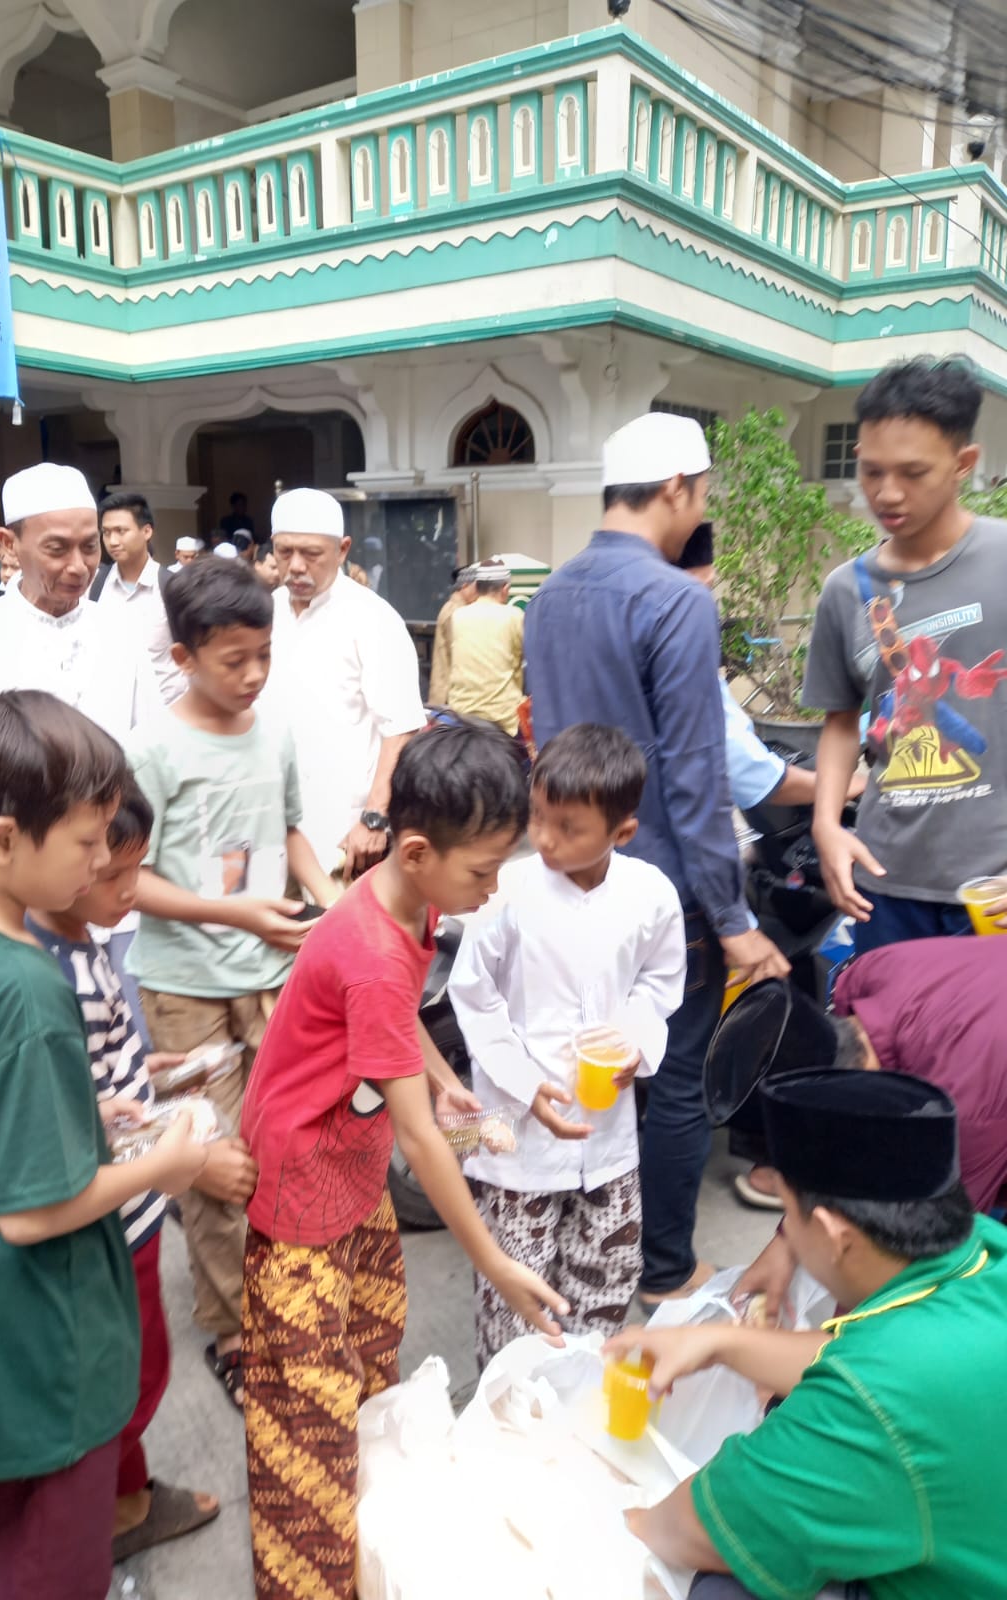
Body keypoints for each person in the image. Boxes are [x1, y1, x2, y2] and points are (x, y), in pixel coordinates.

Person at [240, 717, 568, 1600]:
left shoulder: (406, 901)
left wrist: (434, 1073)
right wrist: (496, 1263)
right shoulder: (376, 951)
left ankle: (370, 1533)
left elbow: (395, 1029)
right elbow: (420, 1138)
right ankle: (310, 1579)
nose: (494, 891)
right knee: (303, 1416)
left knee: (366, 1356)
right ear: (418, 848)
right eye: (484, 871)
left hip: (347, 1172)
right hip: (304, 1193)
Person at [0, 690, 214, 1600]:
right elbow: (34, 1212)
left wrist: (87, 1113)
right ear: (3, 841)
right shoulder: (32, 989)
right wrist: (170, 1164)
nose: (100, 864)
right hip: (35, 1328)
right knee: (51, 1558)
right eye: (86, 844)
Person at [525, 412, 788, 1308]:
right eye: (702, 494)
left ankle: (578, 1246)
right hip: (665, 888)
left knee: (592, 1059)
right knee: (673, 1080)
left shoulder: (552, 595)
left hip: (573, 872)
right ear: (678, 488)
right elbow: (693, 775)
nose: (698, 510)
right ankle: (664, 1269)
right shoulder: (678, 600)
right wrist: (736, 919)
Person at [612, 1069, 1007, 1600]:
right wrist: (722, 1343)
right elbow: (870, 1363)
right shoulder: (981, 1248)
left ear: (831, 1233)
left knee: (717, 1587)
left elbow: (685, 1530)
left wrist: (603, 1513)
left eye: (787, 1216)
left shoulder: (871, 1402)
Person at [128, 557, 334, 1410]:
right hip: (184, 986)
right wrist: (238, 915)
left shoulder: (273, 731)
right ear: (183, 657)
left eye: (263, 656)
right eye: (232, 661)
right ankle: (233, 1327)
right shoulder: (149, 750)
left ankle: (280, 1282)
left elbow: (287, 831)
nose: (252, 676)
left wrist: (330, 902)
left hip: (270, 976)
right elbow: (124, 880)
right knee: (214, 1160)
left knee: (282, 1143)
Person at [27, 776, 237, 1560]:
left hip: (133, 1190)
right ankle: (104, 1516)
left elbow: (99, 1069)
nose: (125, 892)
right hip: (117, 1208)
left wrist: (147, 1070)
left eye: (132, 873)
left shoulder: (84, 942)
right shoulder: (43, 974)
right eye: (108, 872)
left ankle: (128, 1495)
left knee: (136, 1360)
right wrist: (175, 1157)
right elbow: (57, 1104)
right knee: (134, 1369)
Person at [449, 724, 685, 1364]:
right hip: (515, 1136)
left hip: (607, 1139)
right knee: (517, 1292)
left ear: (622, 832)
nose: (544, 839)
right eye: (538, 818)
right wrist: (525, 1083)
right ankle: (510, 1412)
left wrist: (635, 1039)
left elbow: (660, 983)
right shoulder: (507, 891)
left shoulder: (650, 896)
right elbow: (473, 995)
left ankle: (577, 1400)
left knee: (605, 1277)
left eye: (568, 827)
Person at [805, 358, 1007, 956]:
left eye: (913, 473)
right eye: (871, 471)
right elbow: (841, 723)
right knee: (889, 1047)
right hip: (885, 885)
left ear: (963, 465)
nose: (887, 494)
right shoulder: (846, 590)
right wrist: (825, 827)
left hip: (993, 888)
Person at [712, 942, 1007, 1323]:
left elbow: (919, 1260)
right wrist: (786, 1243)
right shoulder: (865, 975)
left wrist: (828, 1362)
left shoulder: (962, 1112)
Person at [265, 486, 427, 878]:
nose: (297, 566)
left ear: (343, 550)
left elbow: (401, 730)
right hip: (271, 832)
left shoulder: (372, 618)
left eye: (312, 554)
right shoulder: (266, 613)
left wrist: (374, 819)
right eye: (285, 552)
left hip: (344, 834)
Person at [0, 463, 161, 746]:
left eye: (90, 546)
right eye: (57, 549)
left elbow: (151, 743)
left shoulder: (123, 629)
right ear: (9, 544)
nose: (79, 567)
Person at [677, 523, 867, 812]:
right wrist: (840, 787)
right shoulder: (680, 646)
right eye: (703, 590)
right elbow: (744, 768)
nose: (705, 606)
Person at [92, 491, 183, 706]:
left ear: (147, 531)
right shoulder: (95, 585)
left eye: (121, 531)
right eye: (106, 532)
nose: (112, 541)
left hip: (165, 715)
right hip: (111, 714)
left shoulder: (172, 587)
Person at [446, 561, 525, 736]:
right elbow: (523, 655)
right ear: (505, 588)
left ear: (477, 587)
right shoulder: (513, 616)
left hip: (462, 713)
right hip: (502, 716)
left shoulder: (458, 616)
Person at [427, 564, 478, 704]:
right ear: (465, 586)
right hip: (448, 694)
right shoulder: (455, 612)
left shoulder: (456, 608)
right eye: (477, 587)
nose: (479, 593)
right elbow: (460, 652)